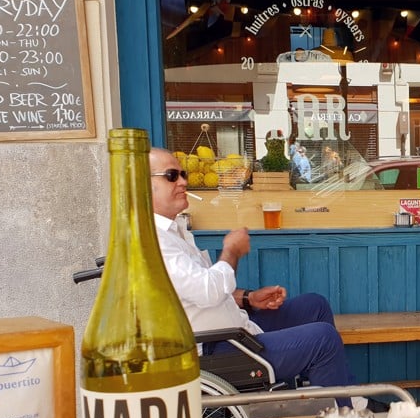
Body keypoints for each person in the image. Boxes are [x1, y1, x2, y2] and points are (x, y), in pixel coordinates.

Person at [148, 148, 353, 391]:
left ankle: (329, 392)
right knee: (324, 340)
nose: (183, 181)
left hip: (237, 330)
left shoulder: (175, 230)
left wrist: (248, 298)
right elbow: (206, 291)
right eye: (172, 175)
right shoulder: (154, 241)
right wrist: (231, 252)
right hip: (218, 349)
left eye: (183, 174)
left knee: (314, 305)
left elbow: (192, 290)